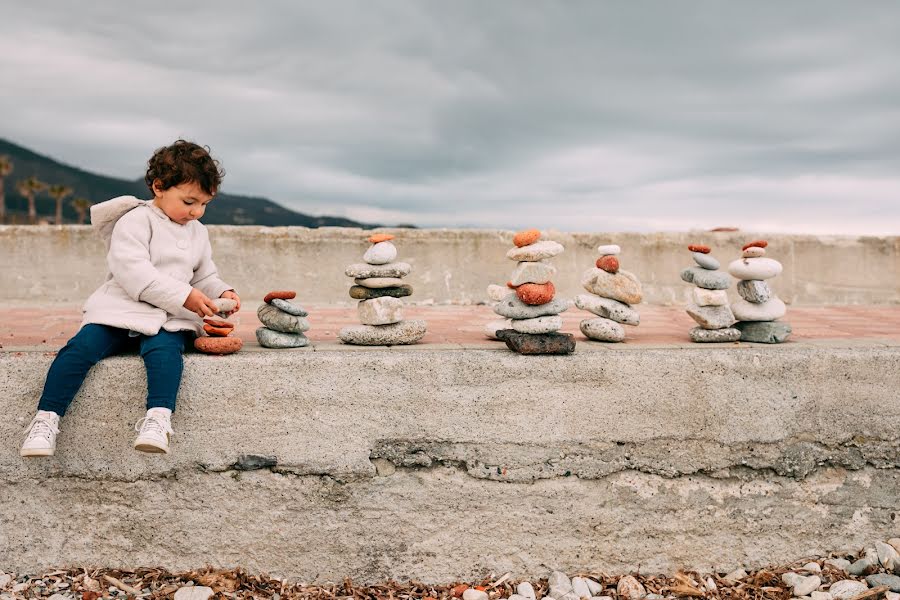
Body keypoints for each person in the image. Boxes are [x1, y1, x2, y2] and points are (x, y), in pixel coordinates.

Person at [20, 140, 240, 457]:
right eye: (189, 201)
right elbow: (132, 271)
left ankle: (158, 418)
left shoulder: (197, 232)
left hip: (168, 317)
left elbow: (203, 274)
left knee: (165, 351)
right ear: (159, 186)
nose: (196, 212)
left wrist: (221, 291)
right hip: (121, 309)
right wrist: (184, 295)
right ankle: (46, 419)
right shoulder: (135, 220)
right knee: (80, 349)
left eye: (204, 204)